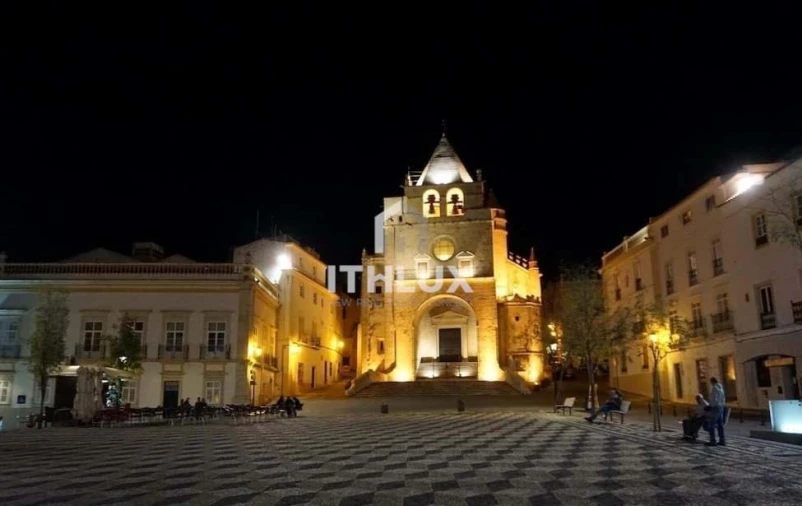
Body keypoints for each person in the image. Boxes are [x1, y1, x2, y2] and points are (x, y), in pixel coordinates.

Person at [706, 377, 726, 446]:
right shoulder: (721, 387)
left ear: (712, 382)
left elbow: (713, 398)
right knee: (720, 425)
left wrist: (710, 406)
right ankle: (722, 440)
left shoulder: (714, 388)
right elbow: (723, 398)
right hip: (721, 407)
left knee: (711, 425)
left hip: (715, 407)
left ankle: (713, 441)